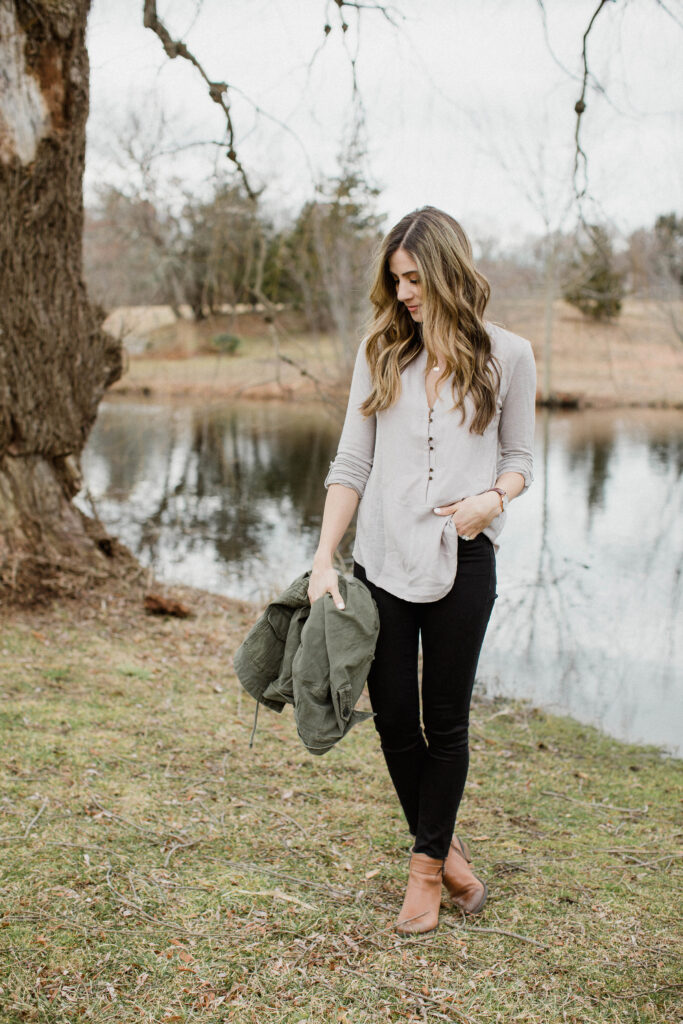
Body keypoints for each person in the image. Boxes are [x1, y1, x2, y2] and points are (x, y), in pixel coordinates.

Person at [307, 206, 536, 936]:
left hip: (465, 558)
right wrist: (323, 559)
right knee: (395, 724)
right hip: (379, 557)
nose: (405, 293)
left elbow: (520, 462)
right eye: (396, 279)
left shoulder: (510, 355)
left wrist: (488, 501)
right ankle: (449, 853)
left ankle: (426, 871)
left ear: (447, 270)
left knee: (446, 720)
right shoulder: (380, 353)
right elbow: (351, 462)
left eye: (415, 277)